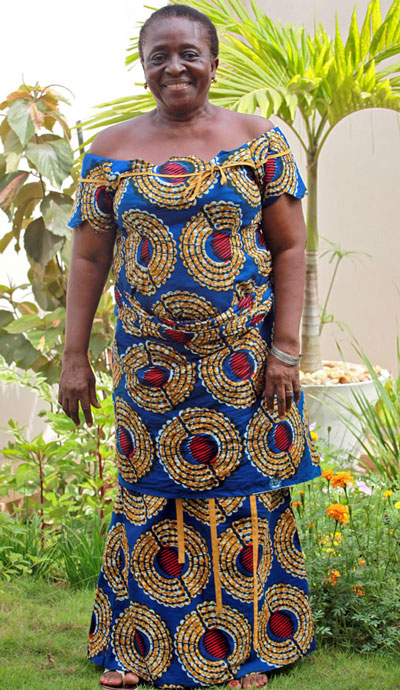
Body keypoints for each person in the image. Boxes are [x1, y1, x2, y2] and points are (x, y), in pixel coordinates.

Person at [59, 4, 321, 689]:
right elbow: (88, 258)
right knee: (150, 493)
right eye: (159, 56)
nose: (174, 67)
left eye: (189, 53)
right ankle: (137, 648)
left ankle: (252, 650)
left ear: (213, 62)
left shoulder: (259, 141)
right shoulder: (109, 152)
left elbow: (291, 248)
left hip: (243, 363)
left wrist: (285, 351)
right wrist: (74, 356)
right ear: (143, 68)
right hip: (150, 365)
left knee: (245, 497)